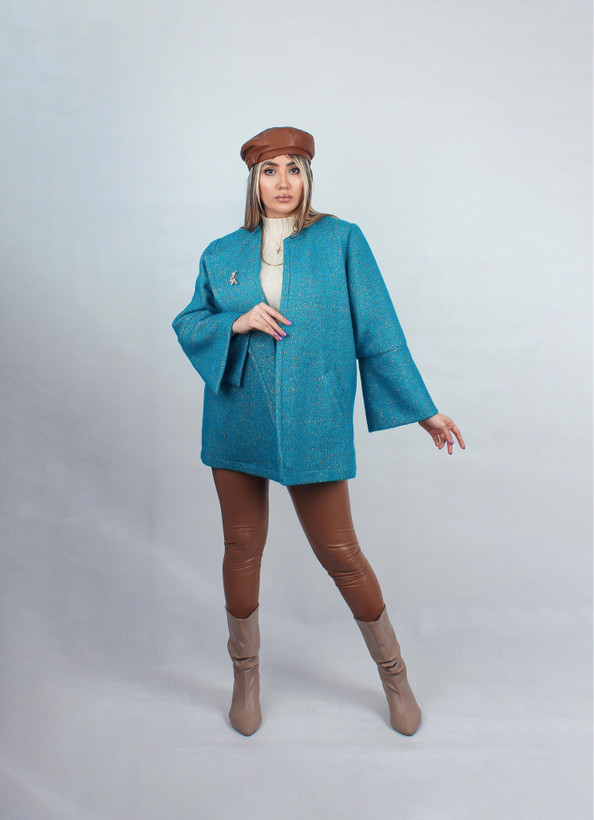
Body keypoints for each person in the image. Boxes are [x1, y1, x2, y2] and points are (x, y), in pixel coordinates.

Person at [172, 126, 465, 738]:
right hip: (236, 416)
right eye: (270, 170)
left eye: (294, 168)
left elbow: (379, 330)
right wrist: (236, 321)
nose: (283, 182)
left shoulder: (341, 240)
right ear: (253, 181)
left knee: (340, 553)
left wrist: (424, 410)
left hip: (314, 418)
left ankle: (395, 677)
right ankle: (245, 678)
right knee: (241, 549)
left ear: (308, 177)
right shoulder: (222, 253)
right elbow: (191, 320)